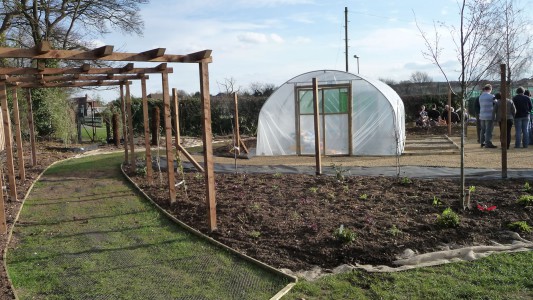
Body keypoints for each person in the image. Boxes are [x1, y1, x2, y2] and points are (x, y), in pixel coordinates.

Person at [478, 84, 497, 148]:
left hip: (482, 115)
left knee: (483, 129)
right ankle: (488, 143)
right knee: (488, 130)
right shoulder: (491, 96)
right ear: (489, 89)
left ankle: (482, 142)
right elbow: (496, 103)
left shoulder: (480, 96)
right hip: (489, 115)